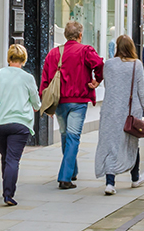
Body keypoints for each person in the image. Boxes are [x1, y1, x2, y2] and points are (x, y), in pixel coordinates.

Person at [40, 22, 104, 190]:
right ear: (80, 35)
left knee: (65, 135)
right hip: (78, 101)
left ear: (65, 35)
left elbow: (45, 79)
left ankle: (72, 170)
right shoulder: (85, 51)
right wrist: (97, 80)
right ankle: (65, 177)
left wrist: (46, 103)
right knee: (73, 137)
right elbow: (99, 64)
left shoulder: (53, 54)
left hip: (59, 102)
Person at [0, 44, 42, 206]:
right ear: (24, 59)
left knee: (5, 156)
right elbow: (36, 101)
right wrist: (36, 106)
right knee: (13, 159)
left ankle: (6, 187)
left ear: (9, 58)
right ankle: (8, 194)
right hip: (20, 124)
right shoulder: (28, 78)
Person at [95, 35, 144, 195]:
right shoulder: (136, 65)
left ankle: (110, 183)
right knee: (131, 143)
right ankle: (135, 178)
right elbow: (141, 90)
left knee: (111, 144)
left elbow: (108, 85)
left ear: (117, 47)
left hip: (110, 110)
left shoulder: (108, 64)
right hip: (130, 111)